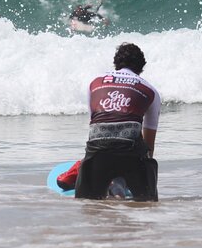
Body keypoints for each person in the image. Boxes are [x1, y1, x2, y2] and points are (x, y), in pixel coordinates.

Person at [57, 43, 161, 201]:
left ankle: (102, 178)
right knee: (147, 202)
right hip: (130, 153)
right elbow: (149, 144)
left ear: (116, 64)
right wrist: (144, 174)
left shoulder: (95, 83)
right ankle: (121, 184)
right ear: (141, 68)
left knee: (88, 203)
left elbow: (95, 124)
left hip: (97, 150)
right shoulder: (150, 91)